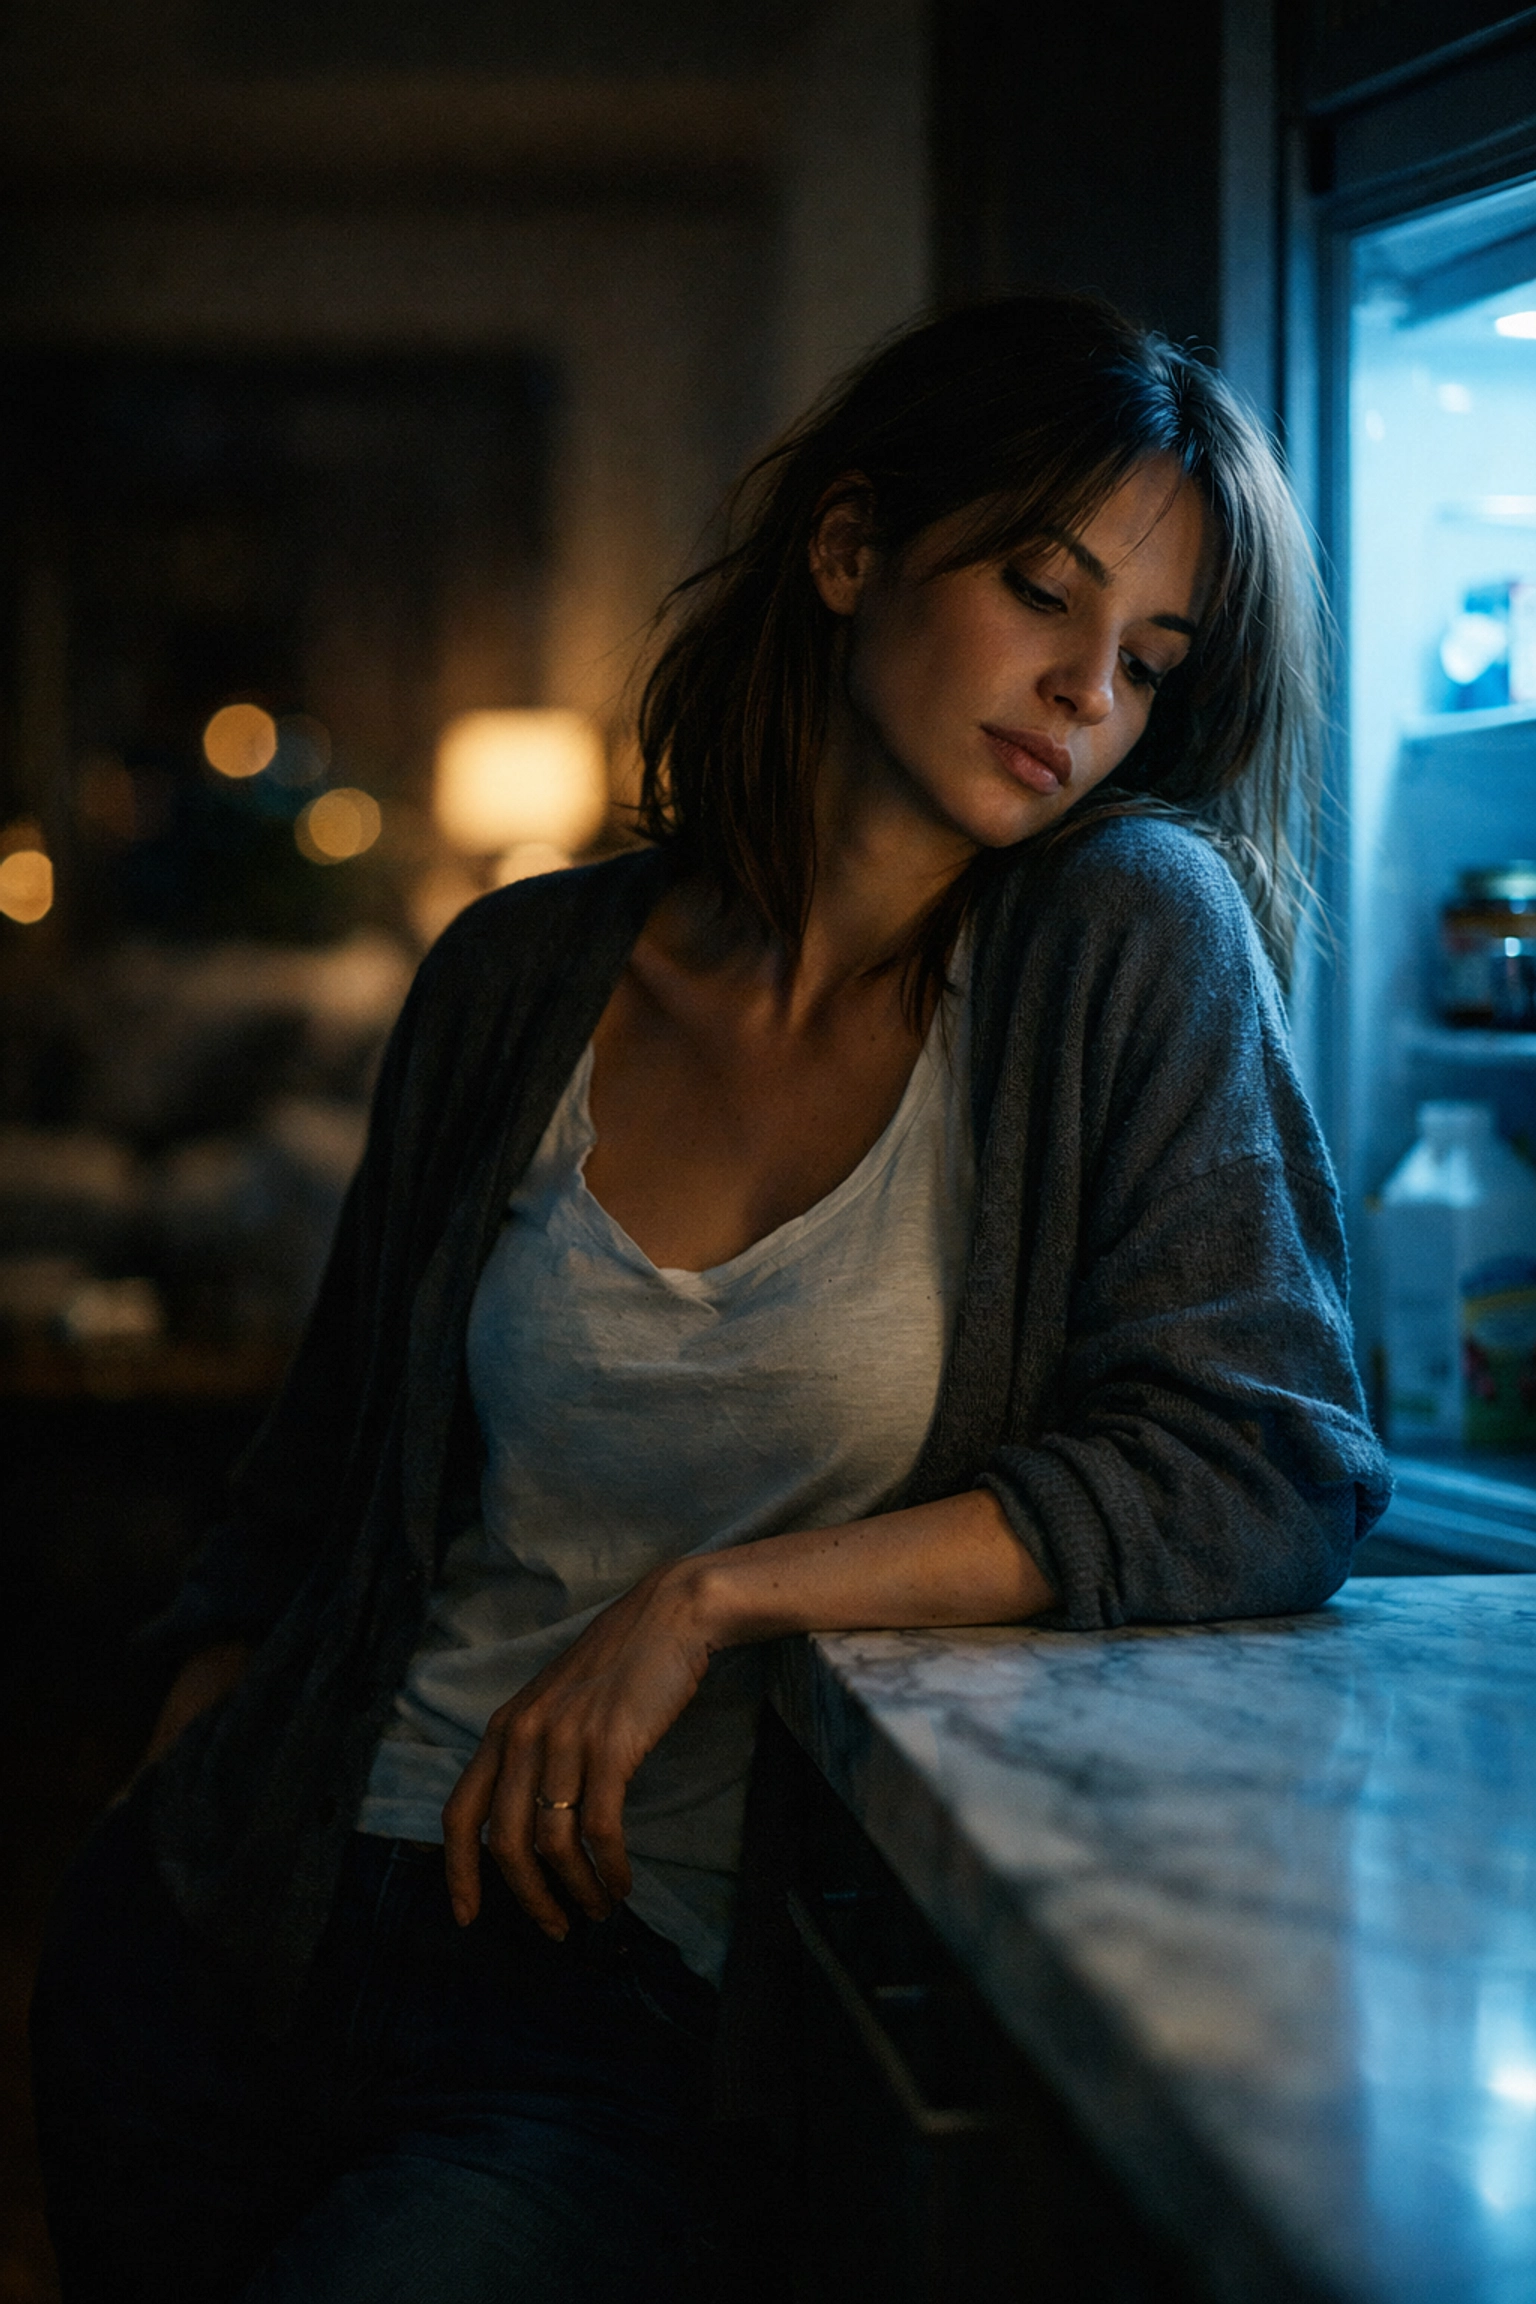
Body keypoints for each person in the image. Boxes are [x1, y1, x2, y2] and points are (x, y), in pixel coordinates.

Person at [30, 291, 1390, 2304]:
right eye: (1041, 590)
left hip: (627, 2004)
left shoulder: (1124, 936)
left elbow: (1263, 1461)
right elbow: (307, 1485)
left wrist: (715, 1599)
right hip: (246, 1930)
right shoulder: (517, 975)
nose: (1088, 690)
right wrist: (184, 1784)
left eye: (1152, 660)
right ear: (850, 549)